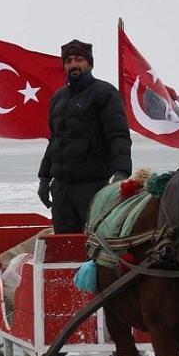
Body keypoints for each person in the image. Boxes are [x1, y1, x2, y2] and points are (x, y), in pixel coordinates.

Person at [37, 39, 132, 233]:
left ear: (89, 63)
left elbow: (118, 135)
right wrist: (44, 178)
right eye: (69, 60)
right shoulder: (58, 99)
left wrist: (121, 172)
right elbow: (55, 142)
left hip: (93, 186)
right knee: (65, 247)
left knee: (96, 244)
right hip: (62, 189)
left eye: (79, 59)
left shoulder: (104, 93)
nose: (73, 64)